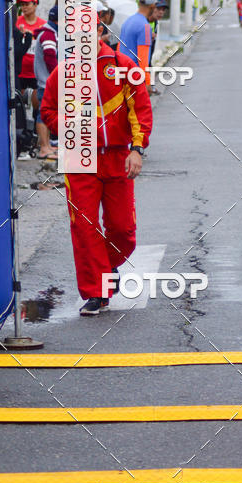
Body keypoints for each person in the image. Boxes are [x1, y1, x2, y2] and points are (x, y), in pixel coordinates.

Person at [41, 16, 153, 315]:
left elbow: (141, 109)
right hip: (78, 158)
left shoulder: (124, 67)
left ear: (100, 31)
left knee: (123, 229)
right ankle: (96, 292)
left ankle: (107, 266)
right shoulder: (63, 72)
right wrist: (70, 128)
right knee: (84, 227)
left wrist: (137, 149)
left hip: (117, 157)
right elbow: (47, 110)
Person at [33, 5, 58, 159]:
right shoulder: (48, 35)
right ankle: (44, 148)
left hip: (47, 82)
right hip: (47, 83)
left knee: (47, 114)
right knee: (43, 115)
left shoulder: (49, 32)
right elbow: (49, 57)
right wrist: (59, 76)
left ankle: (47, 145)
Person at [16, 0, 46, 115]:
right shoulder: (16, 22)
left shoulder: (43, 24)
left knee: (37, 106)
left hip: (36, 71)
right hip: (20, 71)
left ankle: (35, 124)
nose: (24, 7)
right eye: (22, 5)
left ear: (35, 4)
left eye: (27, 4)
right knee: (19, 105)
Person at [118, 0, 157, 68]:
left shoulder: (127, 21)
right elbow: (143, 60)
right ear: (152, 5)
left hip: (122, 70)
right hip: (135, 72)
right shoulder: (145, 27)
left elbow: (119, 48)